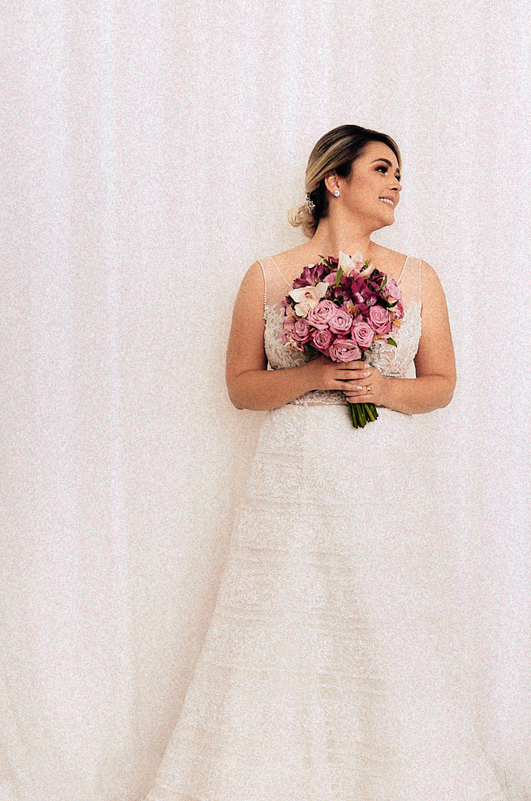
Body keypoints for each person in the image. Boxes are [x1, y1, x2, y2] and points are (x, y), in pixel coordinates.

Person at [142, 125, 505, 800]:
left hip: (379, 481)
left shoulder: (419, 277)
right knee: (279, 629)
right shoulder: (269, 276)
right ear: (334, 181)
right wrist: (313, 373)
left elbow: (443, 383)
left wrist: (383, 389)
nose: (397, 183)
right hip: (293, 479)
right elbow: (241, 387)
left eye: (400, 172)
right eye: (382, 169)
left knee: (388, 626)